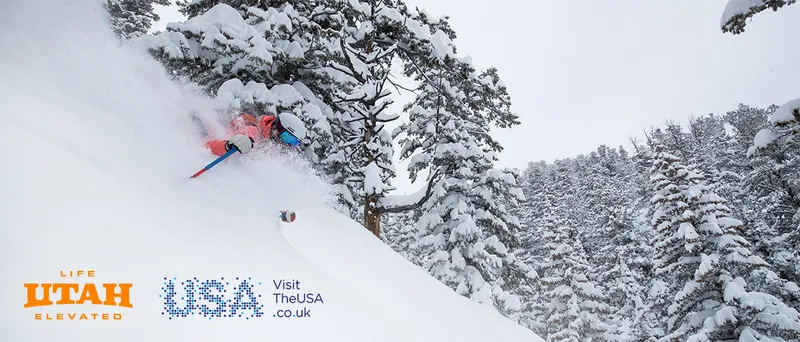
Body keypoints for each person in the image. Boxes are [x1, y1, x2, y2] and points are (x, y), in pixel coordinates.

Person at [204, 112, 308, 156]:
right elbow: (209, 146)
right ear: (277, 127)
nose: (286, 144)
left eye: (294, 143)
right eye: (286, 138)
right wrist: (229, 146)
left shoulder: (270, 148)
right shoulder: (252, 132)